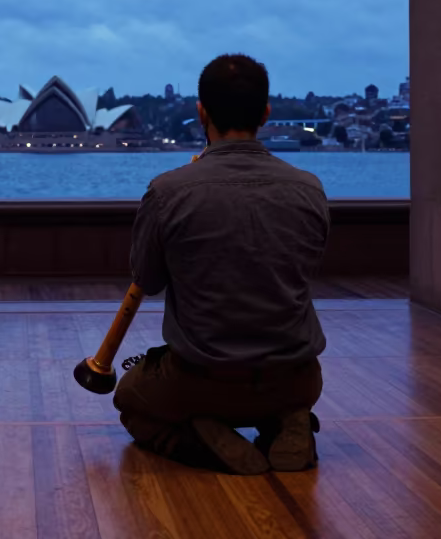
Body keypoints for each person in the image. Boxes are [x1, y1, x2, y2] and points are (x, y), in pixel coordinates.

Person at [112, 53, 328, 474]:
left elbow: (147, 280)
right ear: (265, 113)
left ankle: (203, 439)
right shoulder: (310, 189)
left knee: (129, 399)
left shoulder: (167, 191)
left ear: (201, 113)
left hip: (201, 381)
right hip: (297, 380)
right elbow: (306, 272)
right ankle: (289, 421)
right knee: (278, 395)